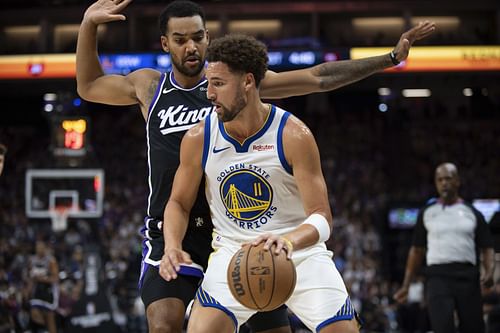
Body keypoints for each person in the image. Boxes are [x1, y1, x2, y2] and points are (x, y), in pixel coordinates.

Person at [76, 1, 435, 332]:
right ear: (165, 43)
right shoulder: (150, 86)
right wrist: (88, 26)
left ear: (208, 38)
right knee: (165, 324)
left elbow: (318, 77)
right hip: (176, 225)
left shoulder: (240, 86)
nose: (191, 47)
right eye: (180, 39)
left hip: (238, 229)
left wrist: (389, 58)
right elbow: (90, 85)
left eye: (198, 37)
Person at [160, 34, 360, 333]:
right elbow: (178, 203)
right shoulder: (199, 137)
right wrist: (172, 246)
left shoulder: (294, 135)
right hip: (233, 254)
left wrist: (289, 241)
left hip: (298, 254)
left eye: (218, 83)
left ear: (248, 82)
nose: (209, 93)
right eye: (208, 82)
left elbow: (322, 217)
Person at [393, 163, 496, 333]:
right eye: (439, 180)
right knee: (442, 327)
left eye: (448, 178)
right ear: (435, 183)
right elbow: (416, 250)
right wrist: (406, 285)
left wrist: (489, 271)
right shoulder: (427, 212)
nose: (444, 183)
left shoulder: (473, 212)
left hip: (468, 276)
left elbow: (487, 246)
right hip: (437, 277)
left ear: (457, 181)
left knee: (474, 328)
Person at [27, 240, 59, 333]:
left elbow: (55, 279)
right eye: (37, 247)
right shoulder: (32, 260)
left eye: (41, 247)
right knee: (34, 313)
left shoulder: (51, 260)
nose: (39, 249)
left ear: (45, 248)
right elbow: (30, 277)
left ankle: (47, 330)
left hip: (48, 291)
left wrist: (42, 279)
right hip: (36, 290)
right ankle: (43, 329)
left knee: (50, 319)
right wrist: (28, 288)